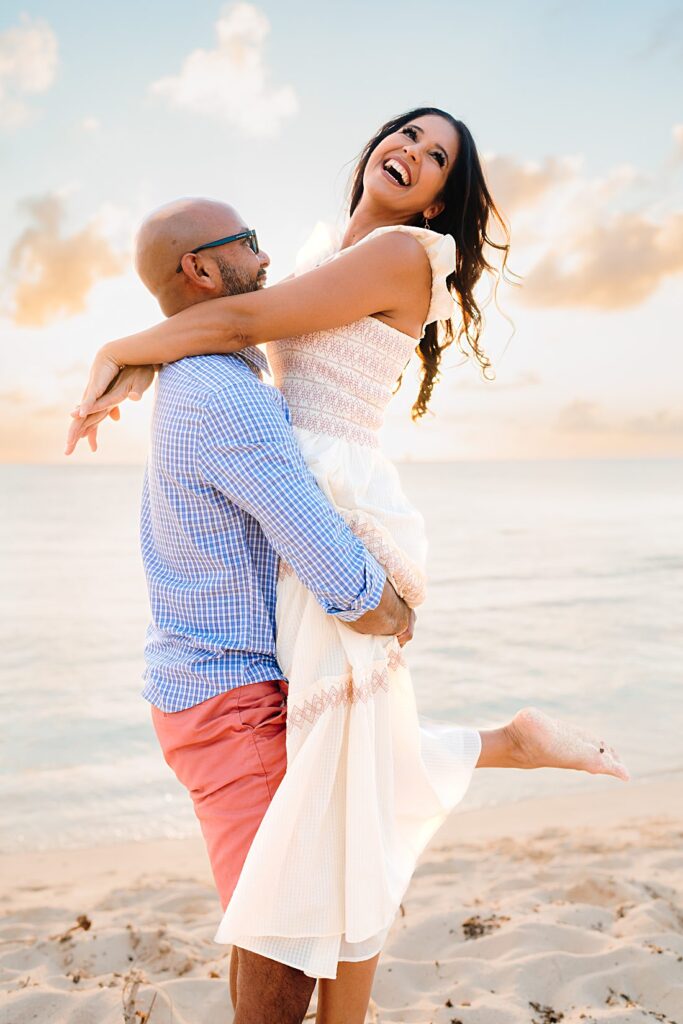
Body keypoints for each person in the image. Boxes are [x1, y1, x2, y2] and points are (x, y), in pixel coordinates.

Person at [68, 108, 628, 1024]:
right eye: (406, 133)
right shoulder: (324, 247)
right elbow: (225, 324)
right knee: (346, 774)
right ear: (375, 143)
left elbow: (238, 314)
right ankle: (505, 745)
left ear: (444, 195)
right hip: (294, 502)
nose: (411, 151)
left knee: (349, 781)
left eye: (437, 155)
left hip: (335, 509)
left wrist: (116, 349)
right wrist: (145, 367)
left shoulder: (406, 253)